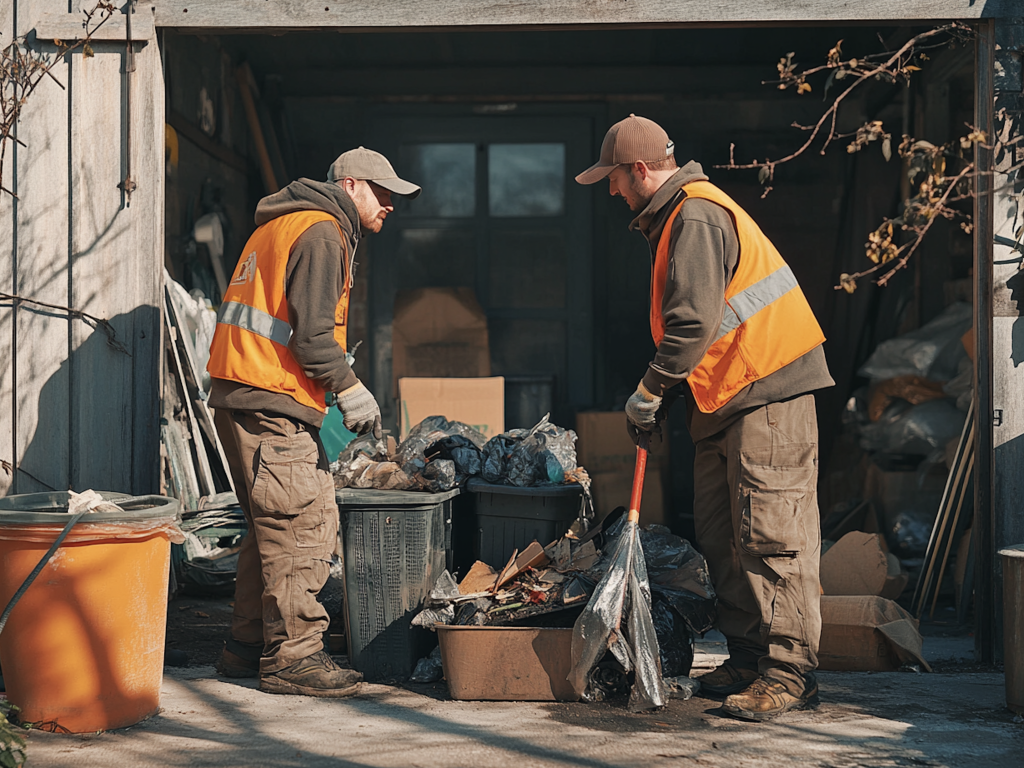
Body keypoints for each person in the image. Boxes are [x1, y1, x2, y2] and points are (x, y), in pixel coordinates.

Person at [576, 115, 834, 721]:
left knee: (773, 537)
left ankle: (789, 672)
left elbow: (693, 323)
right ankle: (749, 656)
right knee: (725, 535)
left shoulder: (694, 214)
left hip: (767, 392)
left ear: (640, 170)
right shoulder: (675, 219)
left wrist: (650, 390)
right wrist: (668, 396)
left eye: (612, 179)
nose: (611, 193)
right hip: (727, 397)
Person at [207, 148, 421, 697]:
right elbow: (311, 339)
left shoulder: (283, 223)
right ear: (350, 185)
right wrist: (351, 391)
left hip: (244, 393)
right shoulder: (324, 232)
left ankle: (249, 646)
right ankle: (295, 658)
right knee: (304, 521)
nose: (390, 203)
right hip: (270, 397)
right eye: (382, 191)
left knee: (268, 524)